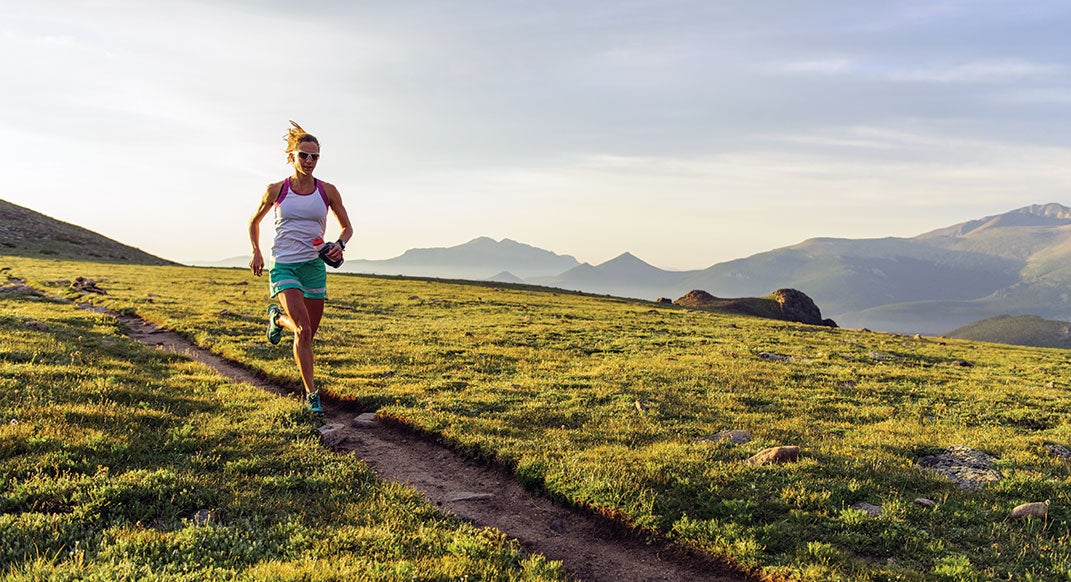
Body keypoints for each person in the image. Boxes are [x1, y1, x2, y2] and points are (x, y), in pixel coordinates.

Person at [248, 120, 353, 413]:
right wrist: (256, 252)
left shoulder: (328, 191)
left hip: (314, 266)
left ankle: (277, 319)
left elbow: (347, 228)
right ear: (291, 156)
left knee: (307, 334)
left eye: (314, 156)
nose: (309, 161)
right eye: (303, 155)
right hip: (284, 265)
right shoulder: (276, 190)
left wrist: (339, 245)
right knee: (304, 331)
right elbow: (254, 222)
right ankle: (311, 395)